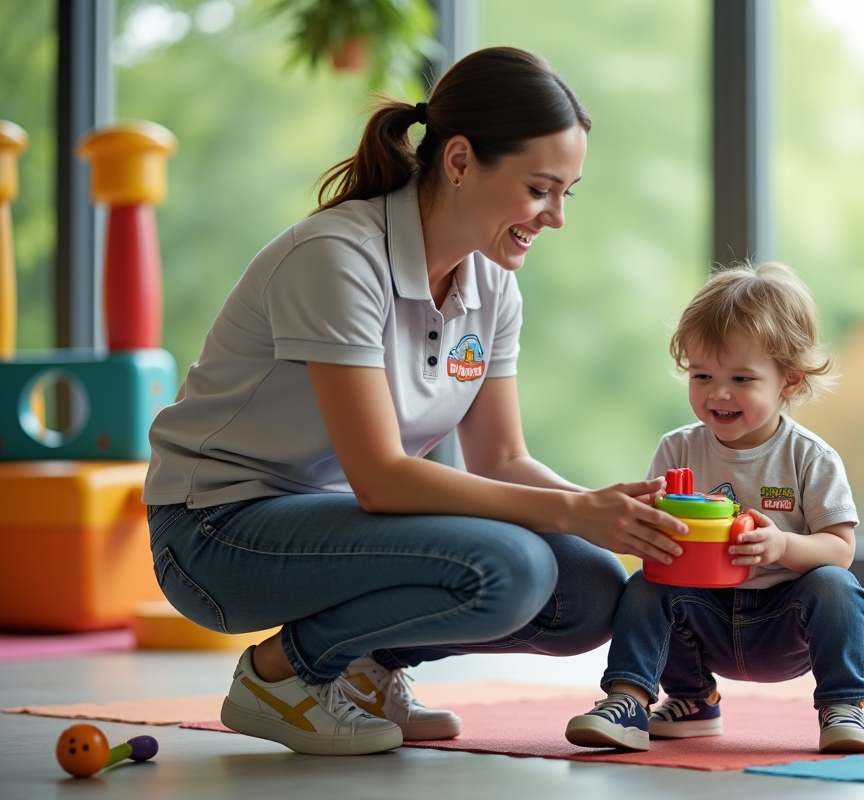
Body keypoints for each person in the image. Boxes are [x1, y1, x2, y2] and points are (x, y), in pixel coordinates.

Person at [141, 46, 690, 757]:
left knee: (586, 590)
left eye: (566, 193)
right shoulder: (336, 259)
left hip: (343, 528)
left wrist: (609, 517)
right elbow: (381, 476)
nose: (554, 216)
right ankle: (281, 677)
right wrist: (573, 511)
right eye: (539, 189)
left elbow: (502, 459)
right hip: (214, 532)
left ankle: (367, 671)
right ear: (459, 161)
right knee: (512, 568)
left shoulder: (492, 284)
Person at [563, 262, 864, 754]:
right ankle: (656, 700)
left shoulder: (809, 457)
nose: (718, 393)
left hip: (782, 622)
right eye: (702, 374)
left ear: (788, 382)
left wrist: (781, 545)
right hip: (704, 620)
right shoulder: (677, 450)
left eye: (741, 378)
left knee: (838, 587)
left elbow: (841, 549)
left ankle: (844, 705)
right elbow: (655, 535)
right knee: (647, 584)